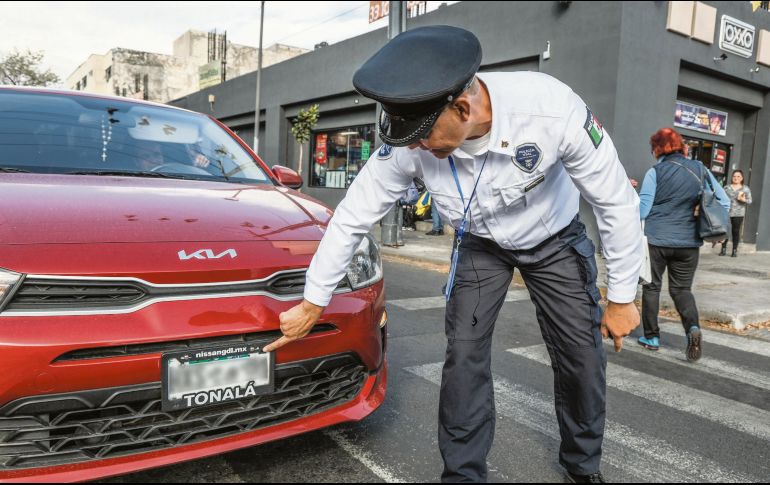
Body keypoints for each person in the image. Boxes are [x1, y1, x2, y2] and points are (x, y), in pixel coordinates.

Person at [264, 26, 643, 483]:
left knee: (580, 355)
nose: (415, 147)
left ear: (463, 109)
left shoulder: (551, 109)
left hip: (555, 240)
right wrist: (314, 300)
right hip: (480, 245)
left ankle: (582, 466)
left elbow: (615, 200)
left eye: (423, 136)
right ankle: (463, 475)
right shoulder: (409, 144)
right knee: (464, 356)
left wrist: (622, 296)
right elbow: (351, 218)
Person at [637, 128, 730, 361]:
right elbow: (724, 201)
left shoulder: (654, 172)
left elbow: (643, 210)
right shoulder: (701, 169)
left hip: (656, 240)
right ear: (681, 147)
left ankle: (651, 337)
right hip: (688, 242)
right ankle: (693, 328)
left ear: (657, 149)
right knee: (681, 290)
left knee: (652, 287)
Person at [720, 169, 752, 257]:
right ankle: (723, 249)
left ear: (742, 178)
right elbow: (721, 198)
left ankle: (734, 251)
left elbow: (750, 201)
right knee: (726, 230)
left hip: (738, 213)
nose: (736, 178)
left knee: (735, 231)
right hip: (726, 212)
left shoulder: (745, 188)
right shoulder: (726, 187)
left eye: (738, 176)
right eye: (734, 176)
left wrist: (743, 199)